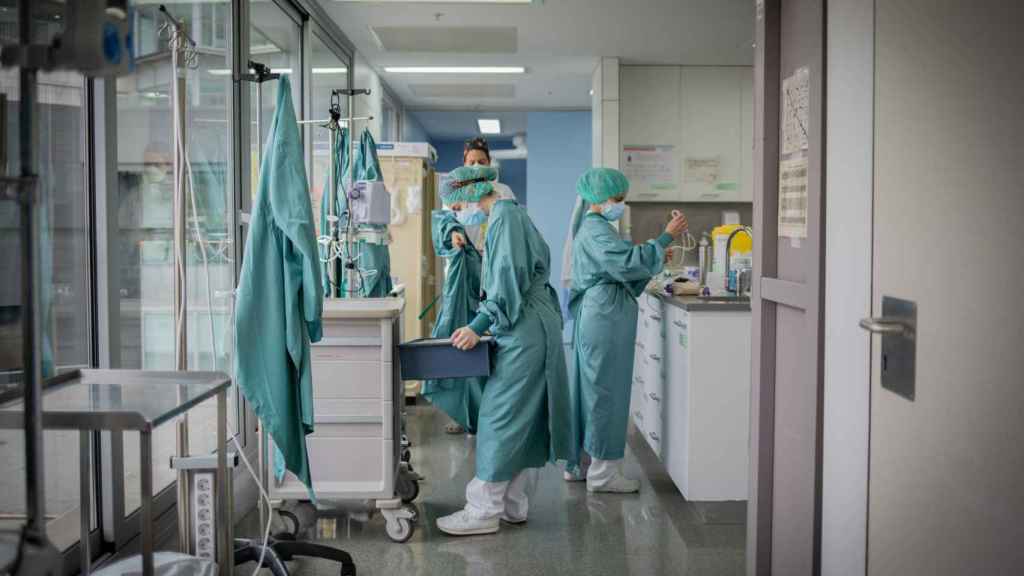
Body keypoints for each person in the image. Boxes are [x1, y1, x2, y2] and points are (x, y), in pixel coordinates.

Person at [435, 165, 572, 536]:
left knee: (500, 417)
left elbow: (507, 281)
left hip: (524, 330)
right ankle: (512, 503)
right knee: (522, 418)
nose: (458, 215)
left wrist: (477, 325)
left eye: (456, 207)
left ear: (470, 195)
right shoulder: (510, 216)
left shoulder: (504, 220)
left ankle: (483, 511)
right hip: (530, 326)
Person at [565, 167, 688, 493]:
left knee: (591, 390)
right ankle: (603, 475)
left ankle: (583, 464)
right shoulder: (596, 230)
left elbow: (624, 263)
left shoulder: (594, 229)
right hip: (605, 316)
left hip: (601, 312)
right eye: (617, 199)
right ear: (600, 199)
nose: (620, 205)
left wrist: (656, 254)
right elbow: (624, 264)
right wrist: (664, 237)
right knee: (606, 391)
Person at [421, 204, 485, 436]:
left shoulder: (496, 208)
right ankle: (461, 414)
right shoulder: (448, 216)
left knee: (482, 354)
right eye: (472, 163)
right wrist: (453, 235)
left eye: (481, 163)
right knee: (460, 349)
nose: (476, 164)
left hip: (485, 284)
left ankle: (482, 413)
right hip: (461, 292)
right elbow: (444, 229)